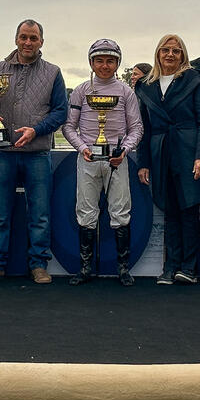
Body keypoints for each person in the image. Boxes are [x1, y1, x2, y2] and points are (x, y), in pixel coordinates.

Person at [0, 19, 68, 284]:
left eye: (33, 38)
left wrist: (36, 130)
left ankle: (38, 265)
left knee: (39, 214)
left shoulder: (53, 72)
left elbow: (61, 111)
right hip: (3, 152)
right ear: (16, 38)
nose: (28, 42)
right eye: (24, 37)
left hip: (37, 153)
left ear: (41, 42)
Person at [62, 39, 143, 286]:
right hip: (88, 159)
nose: (105, 66)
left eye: (110, 61)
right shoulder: (81, 90)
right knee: (85, 213)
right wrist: (83, 148)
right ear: (91, 63)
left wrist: (124, 150)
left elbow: (136, 128)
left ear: (117, 63)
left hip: (116, 160)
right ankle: (85, 268)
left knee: (120, 212)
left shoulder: (126, 92)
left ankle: (123, 269)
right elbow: (68, 126)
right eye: (100, 60)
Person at [136, 34, 200, 284]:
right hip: (160, 153)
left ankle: (188, 268)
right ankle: (170, 267)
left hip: (188, 151)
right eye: (165, 50)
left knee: (188, 210)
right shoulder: (146, 86)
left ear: (183, 56)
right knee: (169, 212)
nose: (170, 55)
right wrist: (144, 161)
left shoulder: (194, 79)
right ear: (158, 54)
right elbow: (145, 128)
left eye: (176, 51)